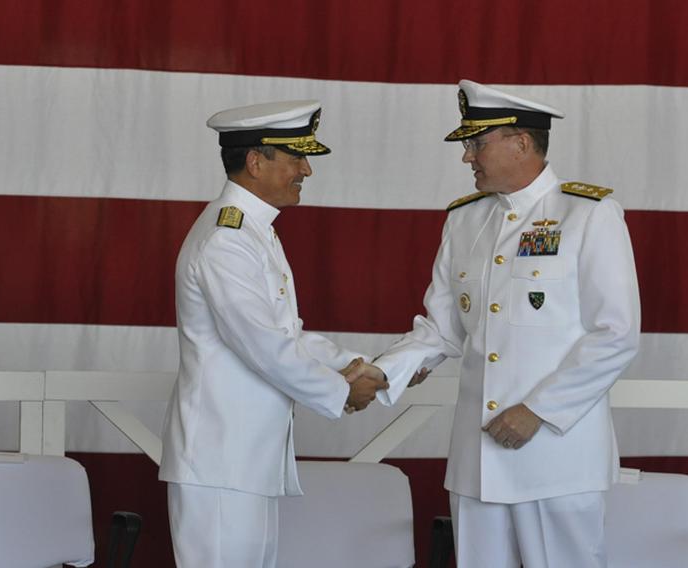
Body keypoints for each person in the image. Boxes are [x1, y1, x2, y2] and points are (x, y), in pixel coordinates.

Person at [351, 80, 641, 567]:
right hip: (477, 462)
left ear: (521, 143)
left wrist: (538, 410)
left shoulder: (588, 215)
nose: (467, 157)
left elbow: (616, 334)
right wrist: (384, 372)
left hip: (555, 456)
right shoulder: (465, 220)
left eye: (476, 143)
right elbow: (441, 329)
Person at [159, 100, 387, 567]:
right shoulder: (227, 239)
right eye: (296, 157)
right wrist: (341, 389)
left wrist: (352, 363)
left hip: (244, 459)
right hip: (222, 461)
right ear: (256, 161)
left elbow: (287, 333)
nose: (306, 169)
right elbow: (264, 346)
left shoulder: (253, 231)